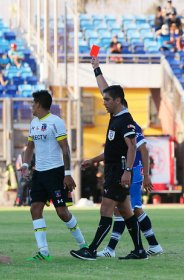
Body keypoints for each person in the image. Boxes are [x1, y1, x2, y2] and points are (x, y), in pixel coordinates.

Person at [70, 57, 147, 260]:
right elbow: (112, 151)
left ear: (118, 101)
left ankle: (92, 249)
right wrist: (96, 69)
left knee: (106, 207)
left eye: (106, 100)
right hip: (114, 168)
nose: (103, 102)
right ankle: (139, 250)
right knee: (125, 210)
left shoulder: (126, 121)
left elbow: (132, 148)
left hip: (119, 171)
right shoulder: (116, 117)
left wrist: (127, 171)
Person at [20, 90, 87, 261]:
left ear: (39, 104)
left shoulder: (56, 122)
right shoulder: (33, 123)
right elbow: (29, 147)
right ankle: (43, 252)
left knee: (62, 212)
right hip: (39, 173)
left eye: (33, 103)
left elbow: (65, 149)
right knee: (35, 209)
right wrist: (26, 165)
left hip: (55, 173)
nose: (31, 107)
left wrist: (67, 173)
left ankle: (83, 245)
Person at [96, 100, 164, 258]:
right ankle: (154, 244)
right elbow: (111, 153)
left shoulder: (130, 125)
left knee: (121, 209)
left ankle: (110, 249)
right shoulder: (119, 124)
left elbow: (143, 150)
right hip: (128, 171)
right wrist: (93, 160)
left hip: (131, 171)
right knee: (135, 209)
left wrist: (146, 175)